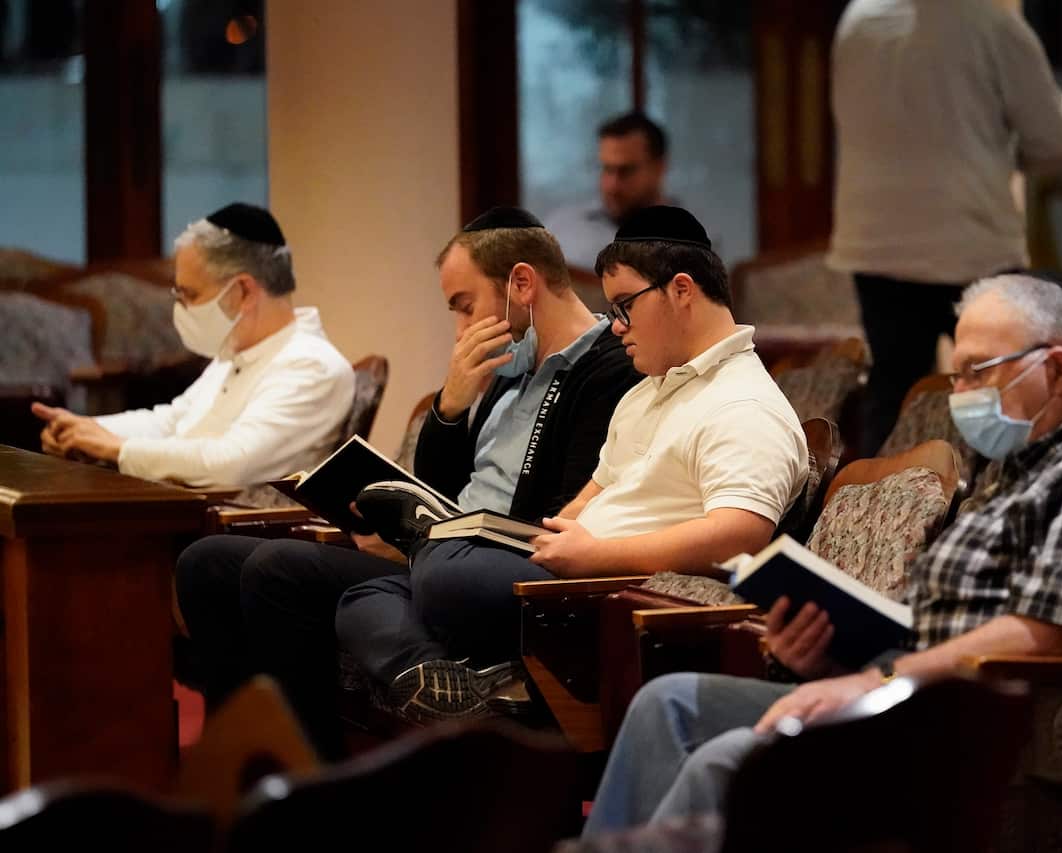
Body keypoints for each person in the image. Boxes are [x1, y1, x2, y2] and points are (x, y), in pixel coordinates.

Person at [583, 273, 1062, 834]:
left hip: (997, 727)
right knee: (665, 705)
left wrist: (876, 681)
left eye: (978, 370)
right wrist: (830, 652)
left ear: (1055, 370)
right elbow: (938, 625)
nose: (961, 391)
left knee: (735, 761)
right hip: (911, 692)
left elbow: (1044, 636)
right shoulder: (1014, 472)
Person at [173, 207, 639, 755]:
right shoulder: (506, 368)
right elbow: (438, 484)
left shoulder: (607, 369)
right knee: (205, 562)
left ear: (521, 283)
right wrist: (450, 405)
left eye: (465, 307)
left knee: (279, 571)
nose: (462, 329)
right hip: (439, 552)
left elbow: (561, 512)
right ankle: (245, 763)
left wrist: (429, 538)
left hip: (495, 570)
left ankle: (314, 783)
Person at [335, 206, 809, 724]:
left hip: (610, 597)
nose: (617, 326)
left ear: (681, 290)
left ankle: (478, 676)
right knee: (371, 590)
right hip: (573, 574)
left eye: (625, 306)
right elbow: (591, 495)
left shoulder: (743, 403)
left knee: (443, 568)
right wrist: (538, 540)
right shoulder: (649, 394)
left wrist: (598, 556)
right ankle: (454, 687)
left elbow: (742, 534)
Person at [826, 0, 1062, 456]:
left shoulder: (858, 17)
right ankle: (1001, 508)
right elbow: (1052, 141)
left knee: (896, 393)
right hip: (971, 241)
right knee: (1004, 394)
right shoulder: (992, 21)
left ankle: (877, 516)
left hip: (877, 242)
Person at [31, 202, 354, 488]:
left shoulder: (311, 365)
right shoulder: (236, 352)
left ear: (242, 290)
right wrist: (86, 429)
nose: (181, 307)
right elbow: (173, 421)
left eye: (191, 294)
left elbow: (233, 464)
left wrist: (117, 448)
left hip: (232, 540)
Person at [543, 112, 672, 270]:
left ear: (659, 168)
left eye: (626, 171)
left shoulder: (694, 242)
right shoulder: (561, 226)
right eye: (607, 169)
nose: (612, 185)